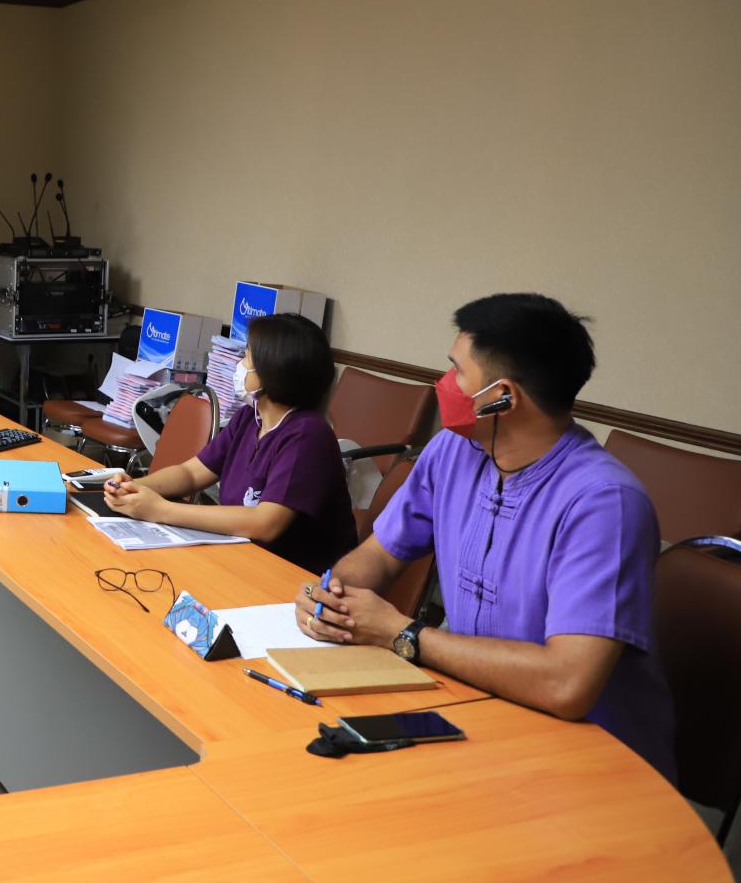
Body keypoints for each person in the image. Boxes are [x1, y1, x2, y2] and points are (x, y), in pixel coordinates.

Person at [293, 293, 675, 782]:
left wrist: (400, 633)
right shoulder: (453, 451)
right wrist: (331, 595)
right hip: (476, 712)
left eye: (457, 371)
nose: (444, 383)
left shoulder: (604, 504)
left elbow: (567, 684)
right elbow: (380, 555)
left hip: (589, 761)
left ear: (503, 397)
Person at [104, 314, 353, 574]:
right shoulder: (249, 418)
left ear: (273, 371)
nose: (239, 364)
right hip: (244, 558)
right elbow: (191, 473)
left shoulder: (308, 434)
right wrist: (136, 487)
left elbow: (265, 523)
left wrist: (160, 509)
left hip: (297, 577)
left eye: (246, 356)